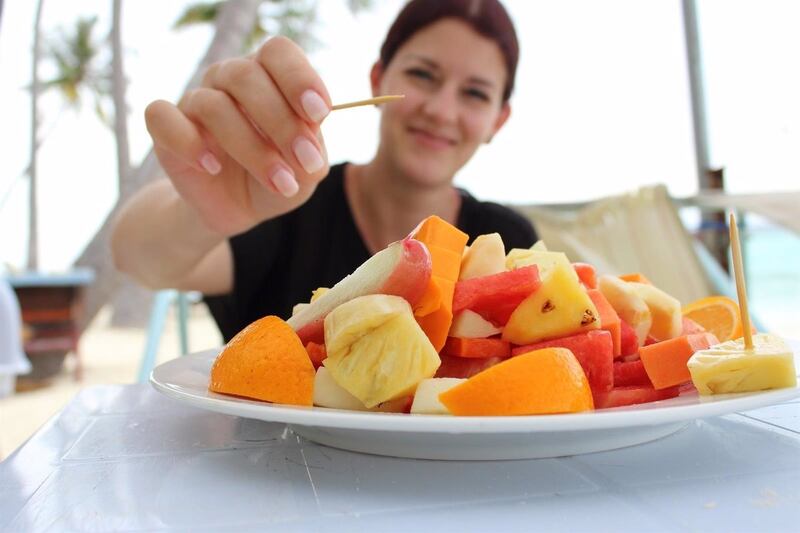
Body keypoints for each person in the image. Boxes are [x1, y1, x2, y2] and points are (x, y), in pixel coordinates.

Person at [111, 0, 537, 342]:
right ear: (378, 79)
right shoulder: (284, 200)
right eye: (422, 75)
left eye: (475, 94)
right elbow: (136, 259)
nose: (442, 110)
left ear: (498, 121)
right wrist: (202, 211)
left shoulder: (510, 244)